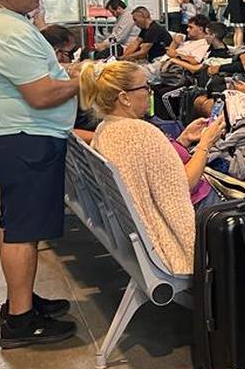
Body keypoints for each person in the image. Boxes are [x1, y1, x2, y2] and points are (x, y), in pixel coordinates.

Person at [0, 0, 81, 348]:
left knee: (14, 224)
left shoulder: (5, 21)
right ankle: (20, 321)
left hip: (18, 136)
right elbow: (42, 94)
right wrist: (83, 79)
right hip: (26, 137)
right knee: (22, 231)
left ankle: (22, 299)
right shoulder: (7, 30)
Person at [82, 61, 228, 274]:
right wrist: (206, 142)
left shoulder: (107, 128)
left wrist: (184, 139)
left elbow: (155, 165)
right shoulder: (142, 132)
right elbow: (185, 184)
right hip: (189, 220)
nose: (150, 92)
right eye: (145, 87)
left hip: (134, 234)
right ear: (124, 97)